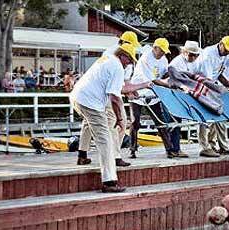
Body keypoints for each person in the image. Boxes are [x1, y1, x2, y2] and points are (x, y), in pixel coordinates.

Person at [70, 43, 150, 193]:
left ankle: (82, 155)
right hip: (90, 102)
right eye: (129, 60)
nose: (130, 64)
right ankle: (109, 181)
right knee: (105, 140)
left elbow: (121, 89)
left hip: (78, 97)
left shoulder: (107, 59)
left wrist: (139, 87)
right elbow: (115, 98)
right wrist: (120, 119)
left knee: (91, 127)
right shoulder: (117, 67)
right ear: (122, 55)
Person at [77, 31, 142, 167]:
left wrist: (130, 90)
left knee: (88, 122)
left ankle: (82, 154)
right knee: (118, 122)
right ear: (124, 44)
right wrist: (128, 91)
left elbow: (121, 82)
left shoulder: (108, 53)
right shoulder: (115, 59)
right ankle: (115, 156)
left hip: (92, 94)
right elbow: (117, 86)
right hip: (107, 94)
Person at [129, 38, 175, 159]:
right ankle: (132, 149)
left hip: (153, 94)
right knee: (135, 122)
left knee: (160, 121)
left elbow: (164, 73)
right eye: (161, 50)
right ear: (155, 48)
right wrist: (167, 84)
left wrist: (172, 75)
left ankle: (169, 149)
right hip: (138, 92)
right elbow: (152, 79)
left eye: (165, 51)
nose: (163, 53)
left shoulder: (163, 59)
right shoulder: (146, 59)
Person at [195, 36, 229, 157]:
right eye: (226, 49)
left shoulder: (228, 55)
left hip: (213, 84)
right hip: (200, 84)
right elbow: (208, 79)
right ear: (220, 44)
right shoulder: (208, 54)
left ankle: (216, 145)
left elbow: (222, 73)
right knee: (203, 116)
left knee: (218, 114)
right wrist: (221, 89)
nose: (228, 52)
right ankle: (204, 146)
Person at [164, 40, 203, 158]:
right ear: (185, 52)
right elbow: (175, 80)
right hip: (173, 94)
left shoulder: (195, 63)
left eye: (196, 55)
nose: (194, 57)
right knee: (172, 122)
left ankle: (174, 148)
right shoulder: (176, 63)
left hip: (183, 95)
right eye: (191, 55)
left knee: (177, 122)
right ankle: (173, 149)